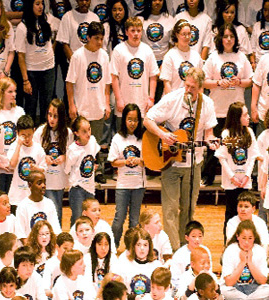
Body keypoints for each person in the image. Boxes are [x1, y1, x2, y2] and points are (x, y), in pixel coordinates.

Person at [143, 67, 217, 250]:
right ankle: (172, 249)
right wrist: (162, 135)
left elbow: (209, 133)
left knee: (189, 208)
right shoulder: (172, 99)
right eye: (187, 85)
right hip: (171, 161)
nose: (188, 90)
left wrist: (212, 142)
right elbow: (148, 119)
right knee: (169, 209)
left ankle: (185, 247)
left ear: (200, 88)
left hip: (193, 163)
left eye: (193, 87)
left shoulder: (206, 104)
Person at [200, 25, 253, 186]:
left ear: (236, 39)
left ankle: (237, 177)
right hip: (218, 110)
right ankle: (207, 176)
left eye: (231, 36)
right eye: (225, 36)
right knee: (214, 145)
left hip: (237, 112)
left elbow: (250, 81)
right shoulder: (213, 57)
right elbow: (203, 81)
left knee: (235, 146)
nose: (229, 39)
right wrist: (217, 82)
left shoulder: (242, 57)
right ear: (220, 39)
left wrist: (239, 82)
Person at [215, 102, 259, 232]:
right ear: (237, 117)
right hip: (231, 183)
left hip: (245, 182)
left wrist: (247, 176)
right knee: (231, 213)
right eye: (245, 115)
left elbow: (253, 156)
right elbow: (222, 157)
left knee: (245, 213)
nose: (248, 117)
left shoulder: (249, 132)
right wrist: (232, 177)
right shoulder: (227, 134)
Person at [66, 21, 111, 141]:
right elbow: (69, 83)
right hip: (82, 109)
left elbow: (107, 83)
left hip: (98, 108)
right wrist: (71, 106)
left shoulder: (104, 56)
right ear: (88, 37)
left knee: (95, 145)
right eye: (96, 38)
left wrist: (106, 103)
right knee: (80, 145)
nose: (99, 42)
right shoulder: (77, 56)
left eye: (101, 39)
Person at [109, 103, 145, 248]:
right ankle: (113, 247)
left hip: (138, 185)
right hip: (123, 185)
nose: (132, 123)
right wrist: (125, 162)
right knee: (119, 220)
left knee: (135, 221)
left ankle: (132, 249)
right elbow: (113, 162)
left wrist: (139, 161)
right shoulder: (117, 138)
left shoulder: (143, 137)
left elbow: (148, 161)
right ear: (124, 119)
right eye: (130, 119)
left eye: (135, 120)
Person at [33, 99, 73, 223]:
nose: (52, 119)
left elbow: (72, 152)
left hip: (59, 179)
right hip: (45, 179)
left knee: (57, 211)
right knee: (49, 211)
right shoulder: (40, 131)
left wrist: (64, 157)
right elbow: (33, 152)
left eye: (55, 116)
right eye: (50, 115)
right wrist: (44, 158)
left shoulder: (68, 133)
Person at [111, 17, 159, 120]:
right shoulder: (118, 50)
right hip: (123, 105)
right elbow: (114, 77)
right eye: (133, 31)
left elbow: (153, 76)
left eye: (138, 31)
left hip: (143, 104)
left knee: (140, 136)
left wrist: (151, 98)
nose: (136, 34)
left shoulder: (147, 50)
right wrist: (119, 99)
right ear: (126, 32)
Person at [15, 0, 55, 123]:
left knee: (47, 104)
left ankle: (45, 133)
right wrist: (25, 80)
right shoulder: (22, 27)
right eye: (37, 4)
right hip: (31, 71)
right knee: (31, 105)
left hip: (48, 68)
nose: (41, 7)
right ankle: (29, 134)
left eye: (42, 4)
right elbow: (20, 56)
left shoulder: (47, 20)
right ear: (30, 5)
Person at [221, 220, 269, 300]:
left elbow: (263, 281)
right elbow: (229, 282)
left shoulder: (259, 250)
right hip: (235, 289)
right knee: (222, 291)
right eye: (243, 238)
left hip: (255, 289)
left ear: (254, 238)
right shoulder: (230, 250)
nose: (246, 242)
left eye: (250, 238)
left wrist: (249, 262)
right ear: (237, 236)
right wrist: (242, 262)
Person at [65, 116, 101, 224]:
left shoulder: (93, 141)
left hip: (90, 187)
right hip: (77, 187)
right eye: (84, 131)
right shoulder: (73, 149)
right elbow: (67, 169)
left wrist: (96, 163)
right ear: (76, 133)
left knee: (91, 217)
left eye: (89, 129)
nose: (88, 134)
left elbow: (96, 152)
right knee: (77, 217)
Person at [7, 114, 46, 206]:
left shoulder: (38, 149)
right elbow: (12, 164)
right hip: (17, 196)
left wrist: (37, 169)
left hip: (33, 194)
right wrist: (19, 145)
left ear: (34, 131)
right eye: (23, 135)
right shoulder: (14, 146)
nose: (27, 138)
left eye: (29, 135)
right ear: (17, 133)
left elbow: (44, 169)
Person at [0, 77, 24, 192]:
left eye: (15, 91)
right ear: (2, 92)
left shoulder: (19, 112)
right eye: (10, 92)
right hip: (0, 166)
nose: (14, 94)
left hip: (15, 164)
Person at [160, 19, 204, 95]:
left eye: (189, 34)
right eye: (183, 34)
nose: (187, 37)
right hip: (174, 100)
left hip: (191, 100)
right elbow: (167, 83)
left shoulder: (196, 56)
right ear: (177, 35)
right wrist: (172, 103)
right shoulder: (170, 56)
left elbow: (200, 84)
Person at [15, 171, 61, 241]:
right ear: (30, 185)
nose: (43, 185)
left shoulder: (49, 203)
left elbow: (55, 230)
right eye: (39, 183)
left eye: (44, 182)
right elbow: (21, 234)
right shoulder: (22, 206)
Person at [116, 227, 162, 295]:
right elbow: (119, 293)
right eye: (138, 245)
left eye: (145, 245)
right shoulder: (124, 264)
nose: (142, 248)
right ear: (133, 247)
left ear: (150, 247)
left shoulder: (157, 266)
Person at [170, 221, 212, 286]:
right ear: (187, 237)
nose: (197, 239)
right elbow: (175, 279)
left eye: (200, 236)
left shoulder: (205, 251)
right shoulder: (179, 255)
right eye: (194, 236)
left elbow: (209, 271)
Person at [139, 0, 174, 67]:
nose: (157, 2)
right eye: (154, 0)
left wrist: (165, 62)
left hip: (165, 61)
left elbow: (172, 45)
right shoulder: (141, 19)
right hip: (145, 60)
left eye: (160, 0)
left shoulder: (170, 19)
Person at [41, 232, 74, 297]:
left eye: (71, 248)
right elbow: (45, 289)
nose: (68, 252)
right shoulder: (50, 264)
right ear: (57, 247)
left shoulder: (75, 262)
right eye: (65, 248)